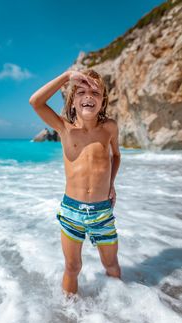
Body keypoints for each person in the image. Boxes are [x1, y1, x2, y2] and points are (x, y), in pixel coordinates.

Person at [29, 69, 121, 297]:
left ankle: (122, 310)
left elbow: (116, 156)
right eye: (81, 91)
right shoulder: (65, 129)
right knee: (72, 267)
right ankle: (68, 315)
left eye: (95, 92)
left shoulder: (109, 128)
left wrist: (111, 184)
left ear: (103, 101)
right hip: (72, 211)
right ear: (72, 102)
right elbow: (35, 102)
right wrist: (66, 76)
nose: (88, 96)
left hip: (102, 212)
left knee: (111, 265)